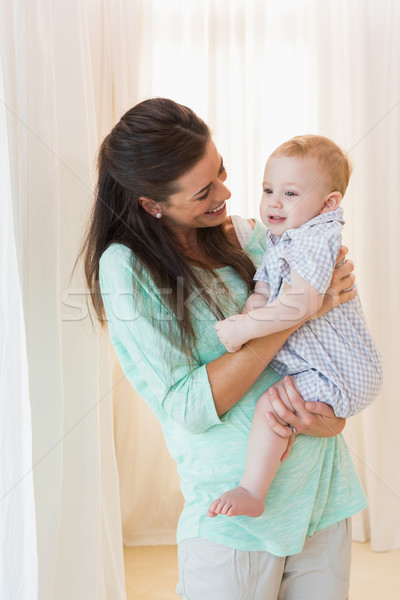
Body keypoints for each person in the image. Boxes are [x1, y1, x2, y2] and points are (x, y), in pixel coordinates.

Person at [81, 98, 375, 600]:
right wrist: (297, 315)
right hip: (235, 519)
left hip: (322, 494)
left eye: (221, 172)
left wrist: (333, 417)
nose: (228, 193)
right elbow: (188, 406)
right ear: (153, 203)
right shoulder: (126, 268)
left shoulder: (247, 234)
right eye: (204, 190)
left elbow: (326, 329)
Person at [209, 135, 383, 519]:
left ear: (328, 204)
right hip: (325, 364)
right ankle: (275, 452)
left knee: (271, 406)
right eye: (268, 189)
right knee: (282, 409)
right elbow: (268, 285)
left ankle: (252, 490)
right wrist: (255, 302)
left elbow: (303, 303)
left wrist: (247, 327)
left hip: (340, 369)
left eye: (290, 193)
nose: (274, 201)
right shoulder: (284, 237)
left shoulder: (316, 236)